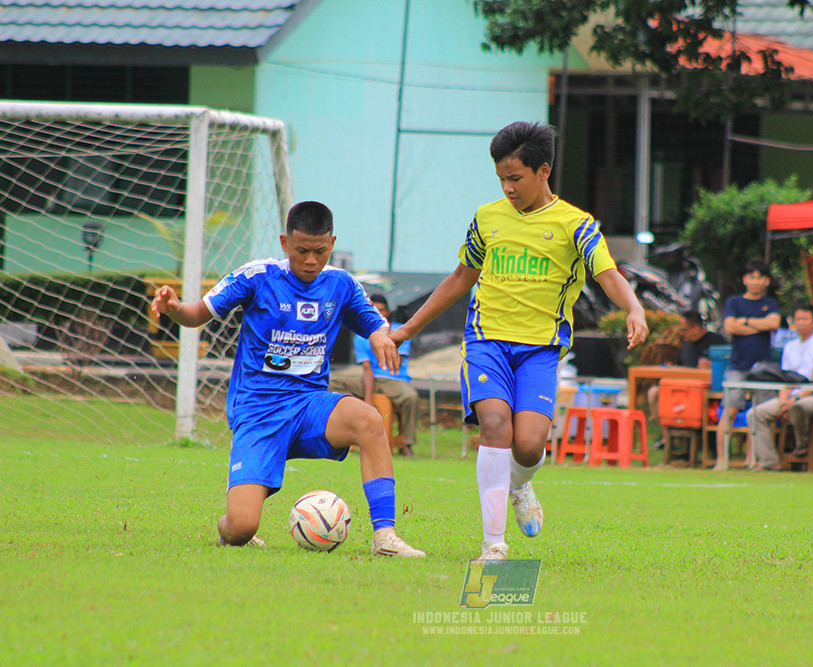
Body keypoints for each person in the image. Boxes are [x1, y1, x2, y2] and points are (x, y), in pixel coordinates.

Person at [389, 121, 648, 561]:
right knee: (494, 427)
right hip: (486, 340)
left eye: (515, 178)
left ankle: (520, 484)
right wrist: (408, 328)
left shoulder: (575, 225)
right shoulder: (487, 218)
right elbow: (460, 277)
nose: (507, 188)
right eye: (501, 179)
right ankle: (494, 544)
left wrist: (634, 308)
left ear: (543, 171)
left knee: (528, 444)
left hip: (541, 350)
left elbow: (608, 274)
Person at [150, 201, 424, 557]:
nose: (311, 260)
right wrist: (174, 308)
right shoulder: (257, 276)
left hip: (310, 404)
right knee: (242, 528)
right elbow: (197, 313)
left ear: (332, 243)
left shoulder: (341, 284)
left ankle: (385, 537)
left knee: (369, 420)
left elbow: (375, 324)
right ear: (284, 242)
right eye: (302, 251)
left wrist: (378, 336)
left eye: (320, 251)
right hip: (258, 411)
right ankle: (228, 525)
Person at [745, 304, 813, 471]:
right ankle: (769, 461)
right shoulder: (790, 347)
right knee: (755, 414)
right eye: (798, 319)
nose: (801, 323)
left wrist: (796, 399)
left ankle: (802, 444)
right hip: (791, 396)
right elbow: (784, 379)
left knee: (799, 407)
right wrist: (784, 401)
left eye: (805, 319)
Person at [329, 293, 418, 457]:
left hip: (393, 379)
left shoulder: (399, 330)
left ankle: (406, 443)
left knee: (410, 397)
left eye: (382, 310)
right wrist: (368, 400)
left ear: (388, 312)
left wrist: (386, 340)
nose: (380, 314)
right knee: (330, 382)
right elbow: (367, 370)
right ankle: (342, 429)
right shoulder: (362, 336)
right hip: (370, 379)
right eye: (375, 310)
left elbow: (396, 363)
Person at [715, 259, 781, 470]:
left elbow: (773, 323)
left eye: (759, 277)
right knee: (729, 412)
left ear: (766, 281)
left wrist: (744, 322)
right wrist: (758, 325)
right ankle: (721, 461)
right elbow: (729, 328)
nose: (755, 281)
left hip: (762, 369)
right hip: (737, 367)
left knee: (758, 415)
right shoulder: (734, 302)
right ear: (745, 279)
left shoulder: (770, 303)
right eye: (751, 277)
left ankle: (753, 461)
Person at [646, 310, 726, 450]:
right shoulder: (686, 345)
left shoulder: (717, 342)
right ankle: (667, 438)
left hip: (706, 389)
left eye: (683, 330)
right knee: (654, 392)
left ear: (695, 328)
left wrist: (713, 366)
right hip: (682, 386)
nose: (681, 334)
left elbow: (727, 364)